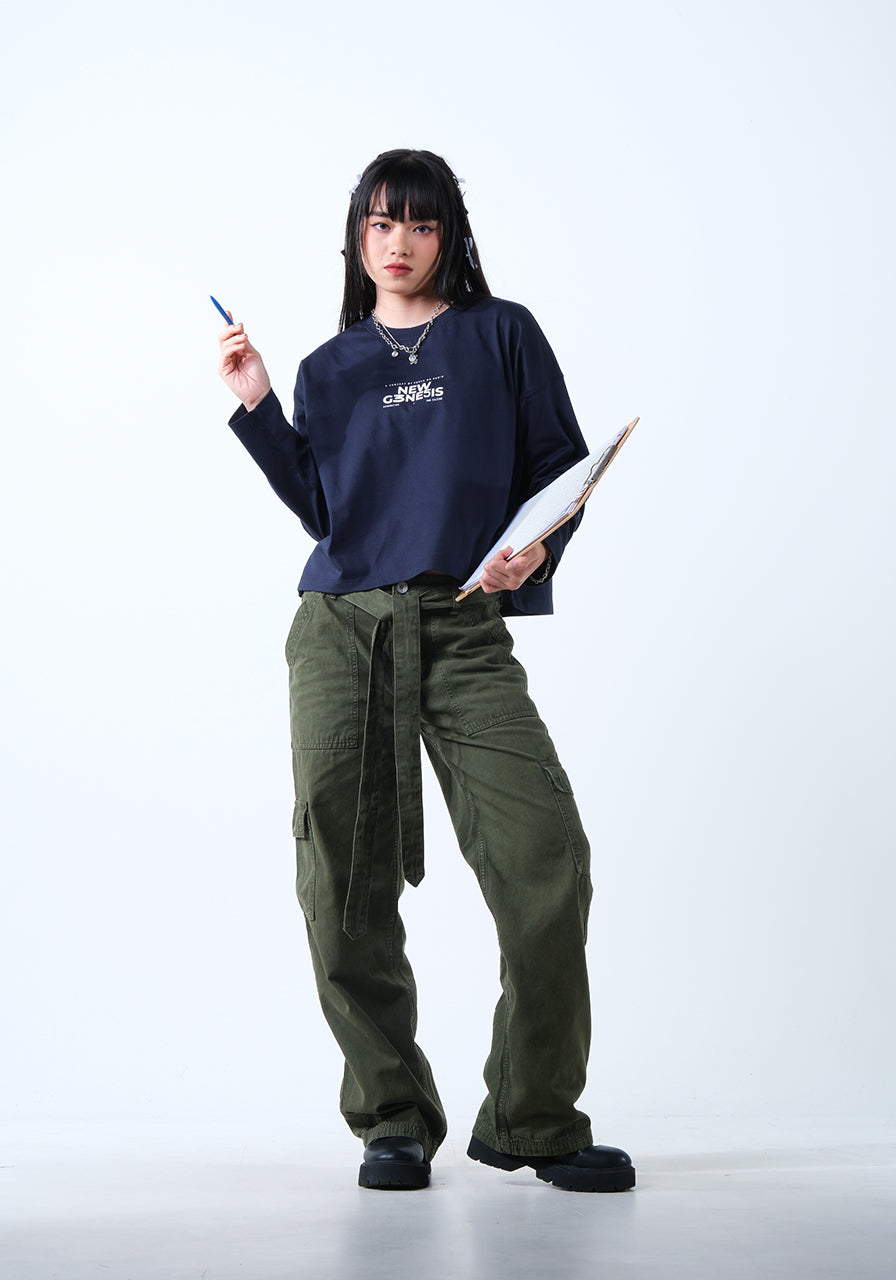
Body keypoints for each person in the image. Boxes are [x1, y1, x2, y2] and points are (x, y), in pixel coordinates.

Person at [216, 148, 635, 1194]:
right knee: (340, 882)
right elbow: (326, 512)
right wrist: (259, 407)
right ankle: (391, 1116)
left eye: (419, 222)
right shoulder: (328, 367)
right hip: (342, 629)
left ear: (450, 235)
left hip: (462, 624)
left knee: (546, 856)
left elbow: (559, 468)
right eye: (379, 222)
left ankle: (534, 1116)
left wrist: (538, 547)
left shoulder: (503, 334)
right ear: (355, 238)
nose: (397, 242)